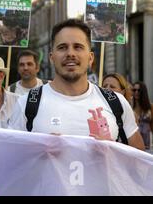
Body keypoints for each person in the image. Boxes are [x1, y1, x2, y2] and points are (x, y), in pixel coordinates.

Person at [9, 19, 144, 150]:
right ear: (51, 57)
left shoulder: (116, 102)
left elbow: (139, 161)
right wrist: (38, 150)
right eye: (62, 47)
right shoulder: (26, 104)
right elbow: (11, 161)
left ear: (90, 58)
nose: (70, 53)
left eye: (78, 47)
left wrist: (112, 150)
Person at [131, 81, 153, 150]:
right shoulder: (130, 106)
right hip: (134, 140)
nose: (136, 92)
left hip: (148, 141)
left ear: (143, 92)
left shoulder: (150, 107)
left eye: (139, 90)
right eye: (134, 90)